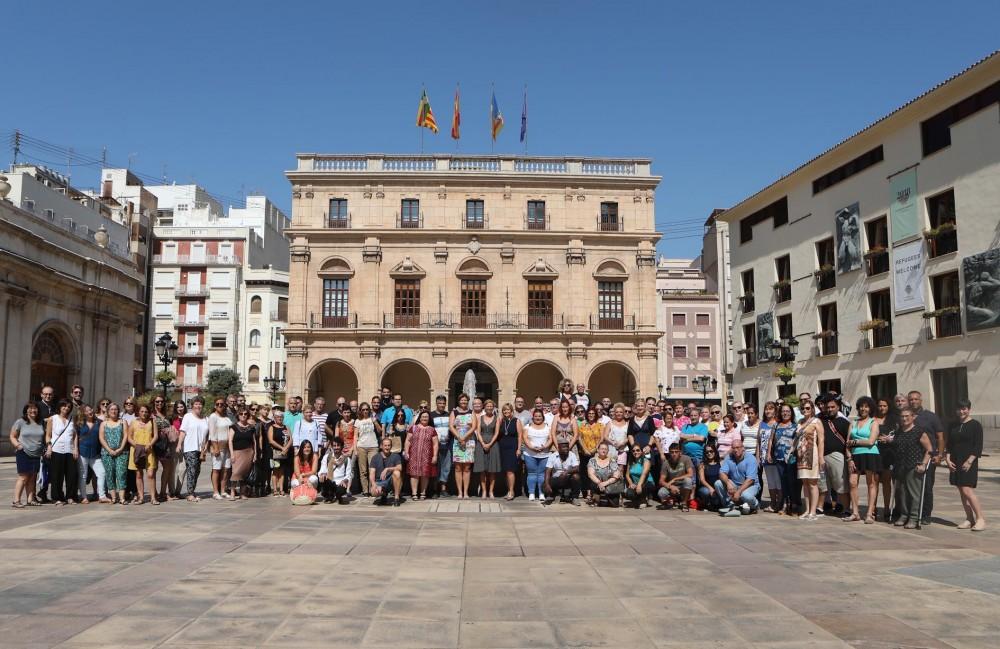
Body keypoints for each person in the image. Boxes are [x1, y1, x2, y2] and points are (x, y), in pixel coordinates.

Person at [947, 400, 985, 531]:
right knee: (961, 491)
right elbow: (949, 444)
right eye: (959, 409)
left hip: (968, 461)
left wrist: (970, 460)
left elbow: (978, 445)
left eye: (964, 409)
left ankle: (980, 519)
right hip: (955, 461)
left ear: (969, 409)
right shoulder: (953, 425)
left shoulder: (975, 425)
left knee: (967, 490)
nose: (961, 411)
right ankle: (969, 518)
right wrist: (947, 459)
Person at [893, 408, 933, 529]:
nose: (904, 419)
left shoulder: (919, 432)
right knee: (902, 492)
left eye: (907, 416)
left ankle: (914, 517)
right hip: (901, 465)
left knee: (914, 493)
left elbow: (929, 450)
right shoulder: (899, 431)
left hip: (913, 466)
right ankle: (904, 515)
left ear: (913, 417)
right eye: (902, 416)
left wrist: (923, 464)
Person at [908, 391, 944, 524]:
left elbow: (940, 437)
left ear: (921, 400)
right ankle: (913, 512)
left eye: (916, 399)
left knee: (927, 486)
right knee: (911, 486)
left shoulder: (931, 416)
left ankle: (926, 514)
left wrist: (939, 454)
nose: (913, 401)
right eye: (911, 399)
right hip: (911, 456)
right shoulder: (907, 416)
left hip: (928, 456)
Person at [846, 397, 881, 523]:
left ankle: (870, 514)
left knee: (871, 483)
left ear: (870, 408)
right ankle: (855, 513)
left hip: (870, 454)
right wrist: (849, 458)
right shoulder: (853, 422)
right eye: (861, 406)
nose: (863, 409)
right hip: (855, 455)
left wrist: (856, 441)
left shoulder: (874, 422)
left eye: (866, 406)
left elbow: (871, 441)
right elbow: (847, 443)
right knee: (852, 482)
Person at [818, 396, 851, 517]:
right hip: (821, 456)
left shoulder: (844, 422)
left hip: (837, 456)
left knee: (841, 484)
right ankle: (821, 507)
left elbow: (849, 439)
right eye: (828, 407)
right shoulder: (820, 420)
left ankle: (846, 509)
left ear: (838, 407)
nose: (830, 409)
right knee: (822, 484)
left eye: (833, 407)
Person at [10, 402, 45, 508]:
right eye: (30, 409)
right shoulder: (20, 422)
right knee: (23, 477)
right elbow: (12, 436)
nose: (33, 411)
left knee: (32, 477)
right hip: (23, 452)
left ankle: (30, 500)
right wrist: (17, 445)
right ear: (26, 410)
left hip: (36, 454)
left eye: (35, 409)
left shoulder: (41, 422)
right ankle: (16, 501)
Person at [45, 399, 78, 506]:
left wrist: (75, 448)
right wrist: (49, 447)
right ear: (59, 406)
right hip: (56, 449)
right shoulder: (52, 419)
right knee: (57, 476)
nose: (66, 408)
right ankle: (57, 497)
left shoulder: (72, 419)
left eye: (68, 407)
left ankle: (70, 497)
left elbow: (75, 435)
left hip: (69, 450)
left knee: (71, 475)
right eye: (64, 406)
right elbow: (48, 435)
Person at [716, 439, 760, 516]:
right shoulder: (729, 457)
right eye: (733, 448)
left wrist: (738, 492)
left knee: (745, 496)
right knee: (718, 483)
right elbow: (722, 473)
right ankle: (729, 505)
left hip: (750, 485)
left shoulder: (751, 459)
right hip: (735, 484)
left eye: (738, 447)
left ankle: (755, 505)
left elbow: (750, 480)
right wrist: (728, 483)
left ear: (743, 448)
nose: (735, 450)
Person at [177, 397, 210, 502]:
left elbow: (208, 435)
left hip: (201, 449)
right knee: (192, 469)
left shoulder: (206, 419)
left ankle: (192, 491)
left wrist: (206, 447)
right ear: (192, 405)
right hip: (189, 447)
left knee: (197, 470)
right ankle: (190, 494)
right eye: (196, 404)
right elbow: (183, 431)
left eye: (200, 404)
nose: (198, 406)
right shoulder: (188, 416)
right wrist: (179, 444)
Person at [795, 402, 823, 521]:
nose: (805, 410)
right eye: (803, 408)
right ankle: (807, 509)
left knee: (813, 483)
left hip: (812, 453)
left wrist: (821, 457)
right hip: (801, 455)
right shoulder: (800, 422)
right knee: (805, 483)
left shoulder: (816, 422)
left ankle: (813, 511)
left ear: (812, 409)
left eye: (808, 408)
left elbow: (821, 440)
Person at [769, 404, 799, 515]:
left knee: (792, 481)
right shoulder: (776, 425)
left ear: (791, 413)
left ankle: (794, 504)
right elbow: (771, 440)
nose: (785, 413)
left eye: (787, 411)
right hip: (779, 457)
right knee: (783, 481)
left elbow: (796, 442)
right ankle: (785, 504)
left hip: (791, 458)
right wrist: (769, 454)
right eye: (783, 411)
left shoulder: (796, 426)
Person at [875, 397, 900, 522]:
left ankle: (886, 508)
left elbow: (899, 436)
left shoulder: (894, 420)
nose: (882, 408)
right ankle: (872, 508)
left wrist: (889, 439)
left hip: (889, 454)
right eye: (880, 405)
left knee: (886, 482)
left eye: (884, 406)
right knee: (873, 482)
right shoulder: (872, 419)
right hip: (874, 453)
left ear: (888, 407)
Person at [127, 404, 158, 505]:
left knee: (150, 474)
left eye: (146, 412)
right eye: (142, 411)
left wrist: (150, 444)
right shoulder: (133, 422)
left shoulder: (152, 421)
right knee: (139, 474)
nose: (144, 413)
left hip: (149, 450)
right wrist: (136, 446)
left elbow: (155, 436)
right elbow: (129, 437)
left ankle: (153, 497)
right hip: (137, 450)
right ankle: (141, 497)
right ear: (138, 412)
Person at [404, 409, 439, 499]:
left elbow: (435, 444)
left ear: (429, 418)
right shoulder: (414, 428)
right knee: (414, 474)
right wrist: (406, 452)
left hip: (427, 456)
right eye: (423, 416)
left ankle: (423, 493)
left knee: (425, 474)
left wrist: (435, 456)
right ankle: (414, 493)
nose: (424, 418)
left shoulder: (432, 429)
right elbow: (407, 441)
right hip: (413, 455)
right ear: (419, 418)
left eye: (426, 417)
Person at [76, 404, 106, 504]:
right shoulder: (79, 423)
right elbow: (75, 437)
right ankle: (84, 496)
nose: (90, 411)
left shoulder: (99, 422)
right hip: (82, 452)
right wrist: (75, 449)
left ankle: (102, 496)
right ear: (83, 413)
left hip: (95, 453)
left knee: (101, 473)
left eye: (91, 409)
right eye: (88, 410)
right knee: (83, 475)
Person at [99, 403, 128, 505]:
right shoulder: (104, 423)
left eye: (115, 409)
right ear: (108, 411)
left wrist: (120, 449)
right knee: (110, 474)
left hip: (122, 452)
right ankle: (113, 497)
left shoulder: (123, 422)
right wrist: (109, 450)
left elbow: (125, 436)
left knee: (121, 474)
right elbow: (101, 438)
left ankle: (122, 498)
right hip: (107, 453)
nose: (113, 411)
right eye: (111, 409)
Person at [521, 408, 553, 502]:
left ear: (543, 417)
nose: (537, 418)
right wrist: (532, 447)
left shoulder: (548, 427)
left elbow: (551, 439)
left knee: (542, 475)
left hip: (545, 454)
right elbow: (525, 438)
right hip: (530, 454)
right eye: (535, 416)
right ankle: (531, 493)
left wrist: (545, 447)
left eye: (539, 416)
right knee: (532, 473)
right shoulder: (527, 427)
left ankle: (541, 493)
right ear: (533, 417)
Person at [450, 393, 476, 499]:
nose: (463, 402)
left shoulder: (472, 412)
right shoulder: (454, 412)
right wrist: (459, 437)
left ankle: (466, 492)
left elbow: (474, 426)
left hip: (469, 441)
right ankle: (459, 492)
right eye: (462, 400)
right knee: (457, 468)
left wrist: (464, 437)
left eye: (465, 400)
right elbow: (451, 426)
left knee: (466, 468)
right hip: (457, 441)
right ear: (459, 401)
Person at [152, 397, 179, 501]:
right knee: (153, 470)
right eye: (157, 401)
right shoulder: (151, 415)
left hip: (165, 444)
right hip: (154, 443)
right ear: (153, 402)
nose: (160, 403)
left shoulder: (167, 416)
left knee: (167, 468)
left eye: (161, 401)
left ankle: (163, 492)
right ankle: (154, 492)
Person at [474, 399, 502, 499]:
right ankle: (484, 491)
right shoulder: (480, 418)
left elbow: (497, 433)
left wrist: (489, 444)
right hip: (480, 445)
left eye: (491, 406)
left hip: (493, 444)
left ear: (493, 407)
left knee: (492, 470)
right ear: (484, 407)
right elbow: (478, 432)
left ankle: (491, 491)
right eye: (487, 406)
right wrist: (482, 443)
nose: (489, 408)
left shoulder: (497, 418)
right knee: (482, 470)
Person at [228, 407, 258, 499]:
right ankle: (232, 492)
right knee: (235, 473)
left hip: (249, 452)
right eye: (241, 414)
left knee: (245, 473)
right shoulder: (233, 427)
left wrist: (255, 454)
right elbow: (230, 441)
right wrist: (232, 454)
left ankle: (242, 493)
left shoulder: (251, 427)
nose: (243, 416)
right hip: (237, 452)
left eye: (245, 414)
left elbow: (254, 442)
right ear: (238, 415)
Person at [206, 398, 233, 500]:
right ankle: (215, 491)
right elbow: (212, 434)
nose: (220, 406)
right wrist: (215, 447)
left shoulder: (226, 417)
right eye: (217, 404)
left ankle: (223, 490)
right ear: (214, 406)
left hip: (227, 447)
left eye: (222, 404)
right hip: (218, 446)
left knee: (226, 469)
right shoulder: (213, 417)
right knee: (216, 469)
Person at [657, 443, 694, 511]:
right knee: (661, 493)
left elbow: (690, 474)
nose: (674, 454)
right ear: (669, 453)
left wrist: (675, 479)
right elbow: (661, 481)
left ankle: (684, 503)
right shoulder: (666, 463)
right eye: (672, 452)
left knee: (688, 480)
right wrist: (670, 487)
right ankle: (674, 500)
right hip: (673, 486)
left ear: (680, 452)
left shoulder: (686, 459)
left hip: (683, 485)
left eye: (676, 452)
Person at [758, 401, 781, 511]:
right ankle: (772, 503)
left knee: (778, 481)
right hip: (764, 456)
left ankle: (780, 503)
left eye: (771, 409)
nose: (768, 411)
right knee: (770, 481)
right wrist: (758, 457)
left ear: (775, 410)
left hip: (775, 456)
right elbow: (758, 441)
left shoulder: (778, 423)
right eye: (766, 409)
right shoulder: (762, 423)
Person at [577, 407, 604, 500]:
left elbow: (602, 438)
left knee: (594, 473)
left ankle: (592, 492)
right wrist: (585, 449)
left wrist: (594, 449)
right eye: (589, 414)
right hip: (584, 453)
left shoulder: (600, 425)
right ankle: (586, 492)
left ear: (595, 414)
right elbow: (579, 438)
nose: (591, 415)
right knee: (584, 473)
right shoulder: (583, 425)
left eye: (593, 413)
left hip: (595, 453)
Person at [543, 440, 581, 505]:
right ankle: (553, 494)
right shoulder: (552, 456)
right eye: (563, 447)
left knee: (576, 476)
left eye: (567, 447)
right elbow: (548, 471)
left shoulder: (572, 455)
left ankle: (575, 498)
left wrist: (566, 472)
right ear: (558, 448)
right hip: (556, 479)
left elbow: (577, 468)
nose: (566, 449)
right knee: (544, 485)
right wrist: (547, 484)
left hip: (568, 479)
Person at [354, 402, 380, 496]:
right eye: (363, 409)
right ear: (360, 411)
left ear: (369, 410)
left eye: (367, 409)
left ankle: (372, 489)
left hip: (373, 446)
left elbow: (380, 431)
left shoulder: (372, 419)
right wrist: (355, 449)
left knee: (372, 469)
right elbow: (355, 436)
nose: (365, 411)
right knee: (363, 470)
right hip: (361, 447)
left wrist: (375, 421)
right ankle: (365, 490)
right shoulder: (358, 421)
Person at [497, 403, 522, 500]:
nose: (506, 411)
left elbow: (520, 436)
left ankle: (512, 491)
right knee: (506, 471)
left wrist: (519, 449)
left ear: (512, 411)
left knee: (510, 471)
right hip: (502, 448)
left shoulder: (517, 421)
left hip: (512, 448)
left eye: (508, 410)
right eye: (504, 410)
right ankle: (508, 490)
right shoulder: (501, 421)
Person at [587, 441, 623, 507]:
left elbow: (616, 475)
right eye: (602, 449)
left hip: (609, 484)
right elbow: (590, 474)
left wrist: (605, 483)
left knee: (615, 504)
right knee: (594, 478)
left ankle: (605, 498)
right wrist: (599, 483)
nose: (604, 450)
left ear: (608, 451)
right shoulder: (592, 460)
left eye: (606, 449)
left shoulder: (612, 461)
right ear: (598, 450)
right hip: (597, 484)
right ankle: (596, 497)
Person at [319, 437, 353, 504]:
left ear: (342, 446)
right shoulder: (327, 457)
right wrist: (323, 474)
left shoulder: (346, 459)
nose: (336, 447)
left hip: (340, 482)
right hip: (329, 481)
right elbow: (322, 470)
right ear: (331, 447)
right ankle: (329, 496)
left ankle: (338, 496)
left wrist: (345, 480)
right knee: (323, 478)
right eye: (334, 446)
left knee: (340, 490)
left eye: (338, 445)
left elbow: (348, 475)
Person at [370, 436, 403, 506]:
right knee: (374, 492)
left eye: (389, 445)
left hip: (391, 480)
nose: (387, 447)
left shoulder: (395, 456)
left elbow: (400, 467)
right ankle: (383, 495)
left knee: (397, 472)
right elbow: (372, 472)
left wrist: (387, 469)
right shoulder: (375, 457)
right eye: (385, 445)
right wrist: (373, 484)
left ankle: (396, 498)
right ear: (381, 446)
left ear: (391, 446)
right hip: (379, 481)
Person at [267, 408, 291, 497]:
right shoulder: (271, 427)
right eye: (277, 417)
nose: (280, 418)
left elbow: (291, 439)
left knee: (282, 472)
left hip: (284, 453)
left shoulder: (286, 427)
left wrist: (286, 448)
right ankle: (275, 490)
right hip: (275, 453)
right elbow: (271, 441)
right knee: (275, 471)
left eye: (281, 417)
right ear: (274, 418)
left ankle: (281, 489)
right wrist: (282, 448)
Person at [624, 443, 654, 508]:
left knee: (644, 487)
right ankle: (637, 500)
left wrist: (639, 485)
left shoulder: (646, 461)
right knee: (629, 493)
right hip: (636, 483)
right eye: (633, 451)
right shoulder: (630, 462)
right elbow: (627, 475)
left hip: (646, 483)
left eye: (638, 450)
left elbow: (644, 474)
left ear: (641, 451)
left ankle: (644, 500)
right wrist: (631, 483)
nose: (635, 452)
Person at [697, 444, 723, 510]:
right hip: (706, 488)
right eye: (707, 452)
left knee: (717, 503)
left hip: (717, 488)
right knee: (705, 492)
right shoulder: (702, 465)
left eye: (711, 451)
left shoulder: (720, 463)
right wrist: (710, 488)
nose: (709, 453)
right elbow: (702, 480)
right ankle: (706, 503)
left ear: (715, 451)